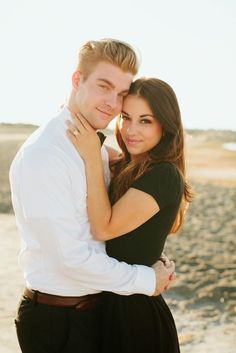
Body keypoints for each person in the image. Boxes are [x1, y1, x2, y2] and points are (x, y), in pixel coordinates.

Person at [9, 39, 175, 353]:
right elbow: (72, 259)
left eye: (122, 94)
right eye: (103, 86)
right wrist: (145, 278)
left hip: (96, 312)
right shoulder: (45, 155)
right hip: (59, 322)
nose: (113, 103)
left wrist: (148, 253)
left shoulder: (92, 146)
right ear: (76, 80)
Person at [66, 76, 193, 353]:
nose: (131, 130)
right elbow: (85, 135)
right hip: (106, 305)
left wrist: (90, 158)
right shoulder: (124, 166)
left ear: (165, 125)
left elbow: (103, 228)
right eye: (126, 117)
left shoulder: (163, 175)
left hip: (135, 317)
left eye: (145, 120)